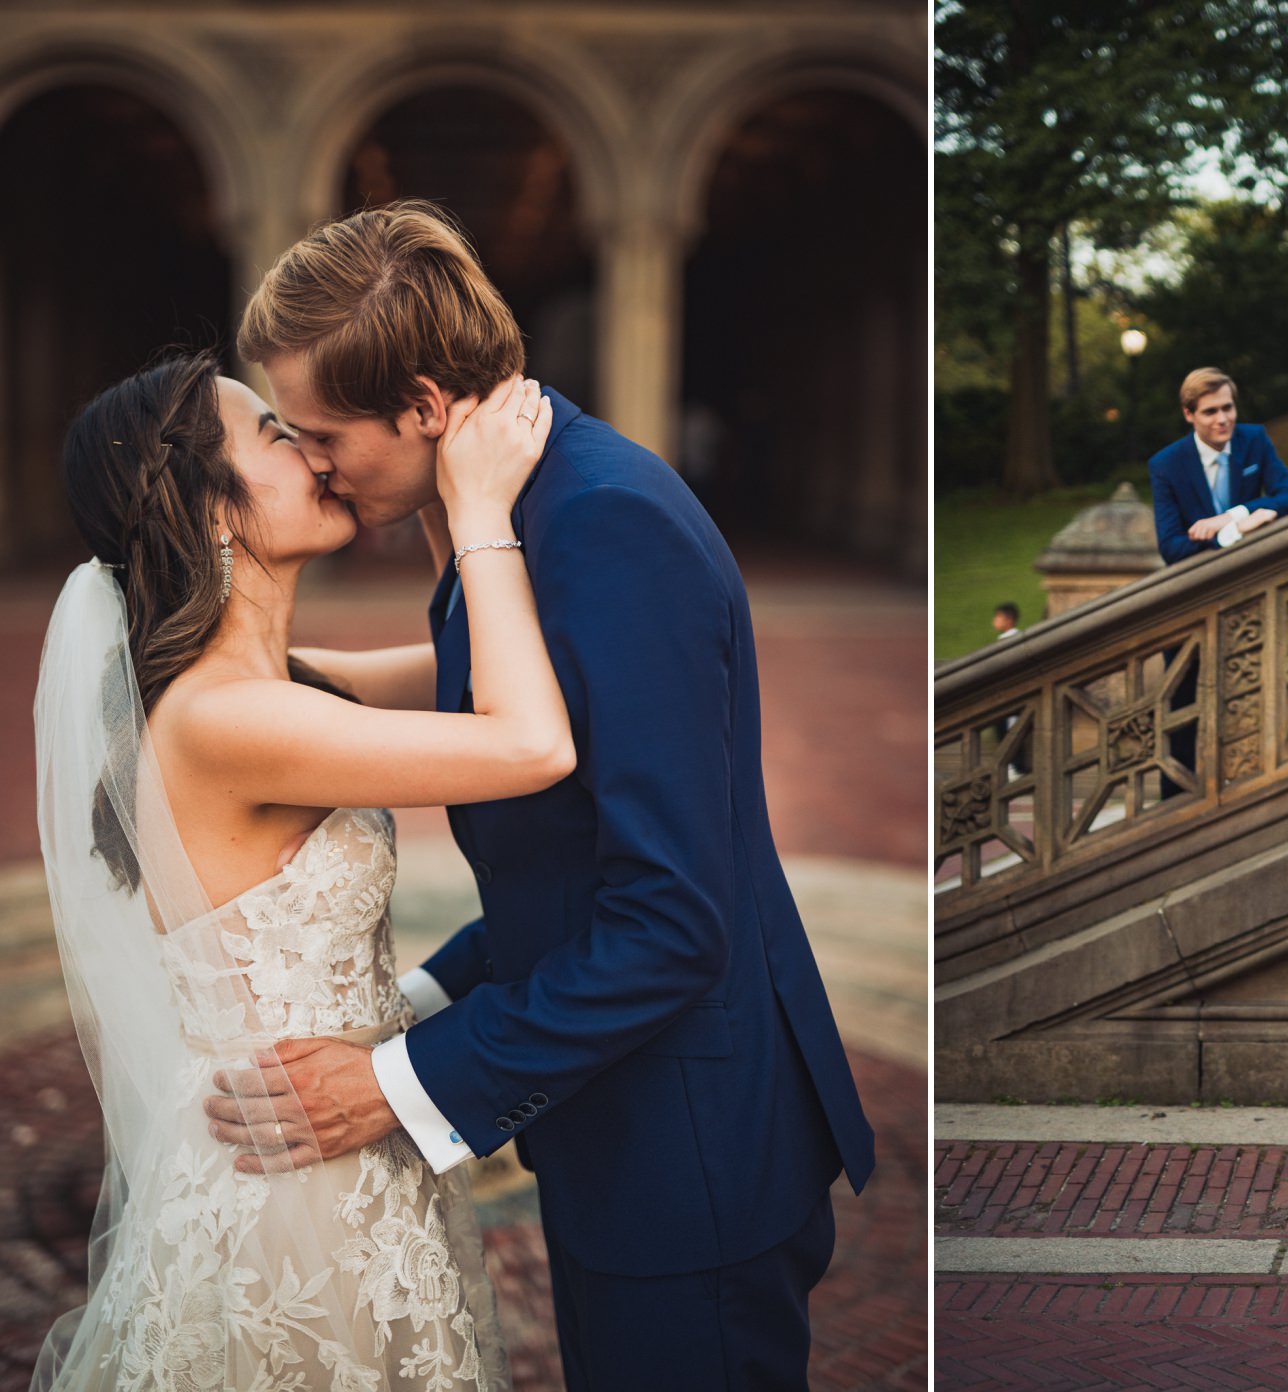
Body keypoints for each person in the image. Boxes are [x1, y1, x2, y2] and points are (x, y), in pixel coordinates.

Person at [218, 202, 874, 1389]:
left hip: (688, 1156)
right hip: (628, 1123)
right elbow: (565, 851)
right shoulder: (516, 508)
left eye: (322, 434)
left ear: (421, 408)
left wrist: (389, 1086)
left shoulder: (598, 521)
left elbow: (671, 920)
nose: (312, 462)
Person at [33, 356, 554, 1389]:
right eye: (276, 435)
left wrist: (437, 500)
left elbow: (471, 665)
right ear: (210, 509)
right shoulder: (227, 721)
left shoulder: (287, 683)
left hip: (330, 1132)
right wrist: (479, 502)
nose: (315, 451)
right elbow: (528, 742)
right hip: (286, 1201)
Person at [1147, 368, 1288, 565]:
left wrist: (1232, 516)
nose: (1222, 419)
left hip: (1257, 567)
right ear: (1188, 414)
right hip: (1203, 579)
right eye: (1210, 411)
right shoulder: (1166, 464)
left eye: (1227, 408)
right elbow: (1171, 548)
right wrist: (1233, 531)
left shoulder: (1254, 439)